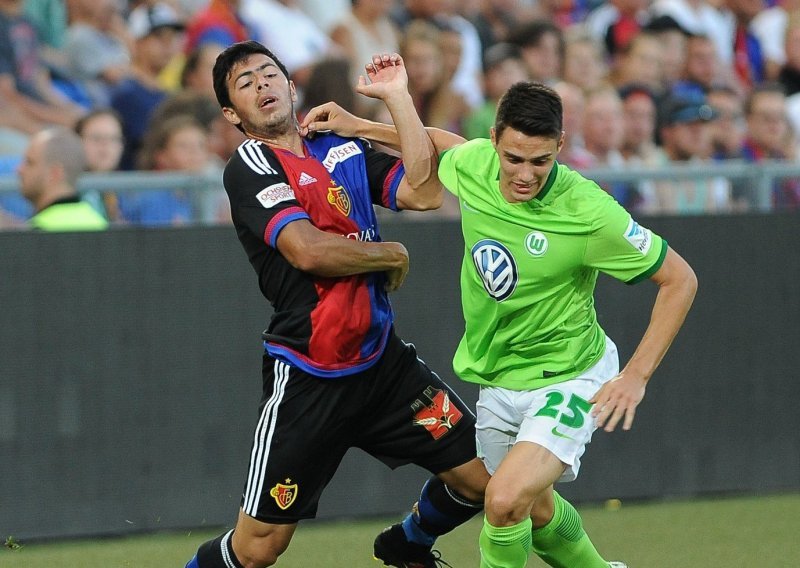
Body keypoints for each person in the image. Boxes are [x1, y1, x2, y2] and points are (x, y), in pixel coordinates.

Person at [302, 81, 698, 568]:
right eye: (513, 159)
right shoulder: (477, 166)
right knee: (534, 508)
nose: (525, 175)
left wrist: (636, 375)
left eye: (540, 161)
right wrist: (359, 125)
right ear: (493, 140)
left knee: (505, 500)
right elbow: (436, 142)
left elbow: (680, 279)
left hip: (569, 377)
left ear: (560, 145)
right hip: (499, 379)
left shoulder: (591, 212)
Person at [184, 40, 489, 568]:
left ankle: (407, 543)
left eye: (268, 73)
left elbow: (424, 192)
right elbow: (307, 251)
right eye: (245, 83)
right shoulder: (251, 164)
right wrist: (388, 254)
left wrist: (397, 99)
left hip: (384, 367)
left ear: (290, 86)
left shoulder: (338, 145)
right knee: (257, 550)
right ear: (232, 114)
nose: (261, 84)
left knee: (486, 482)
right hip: (310, 376)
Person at [17, 126, 108, 231]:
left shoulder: (36, 233)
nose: (19, 169)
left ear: (54, 173)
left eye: (30, 163)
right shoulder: (100, 225)